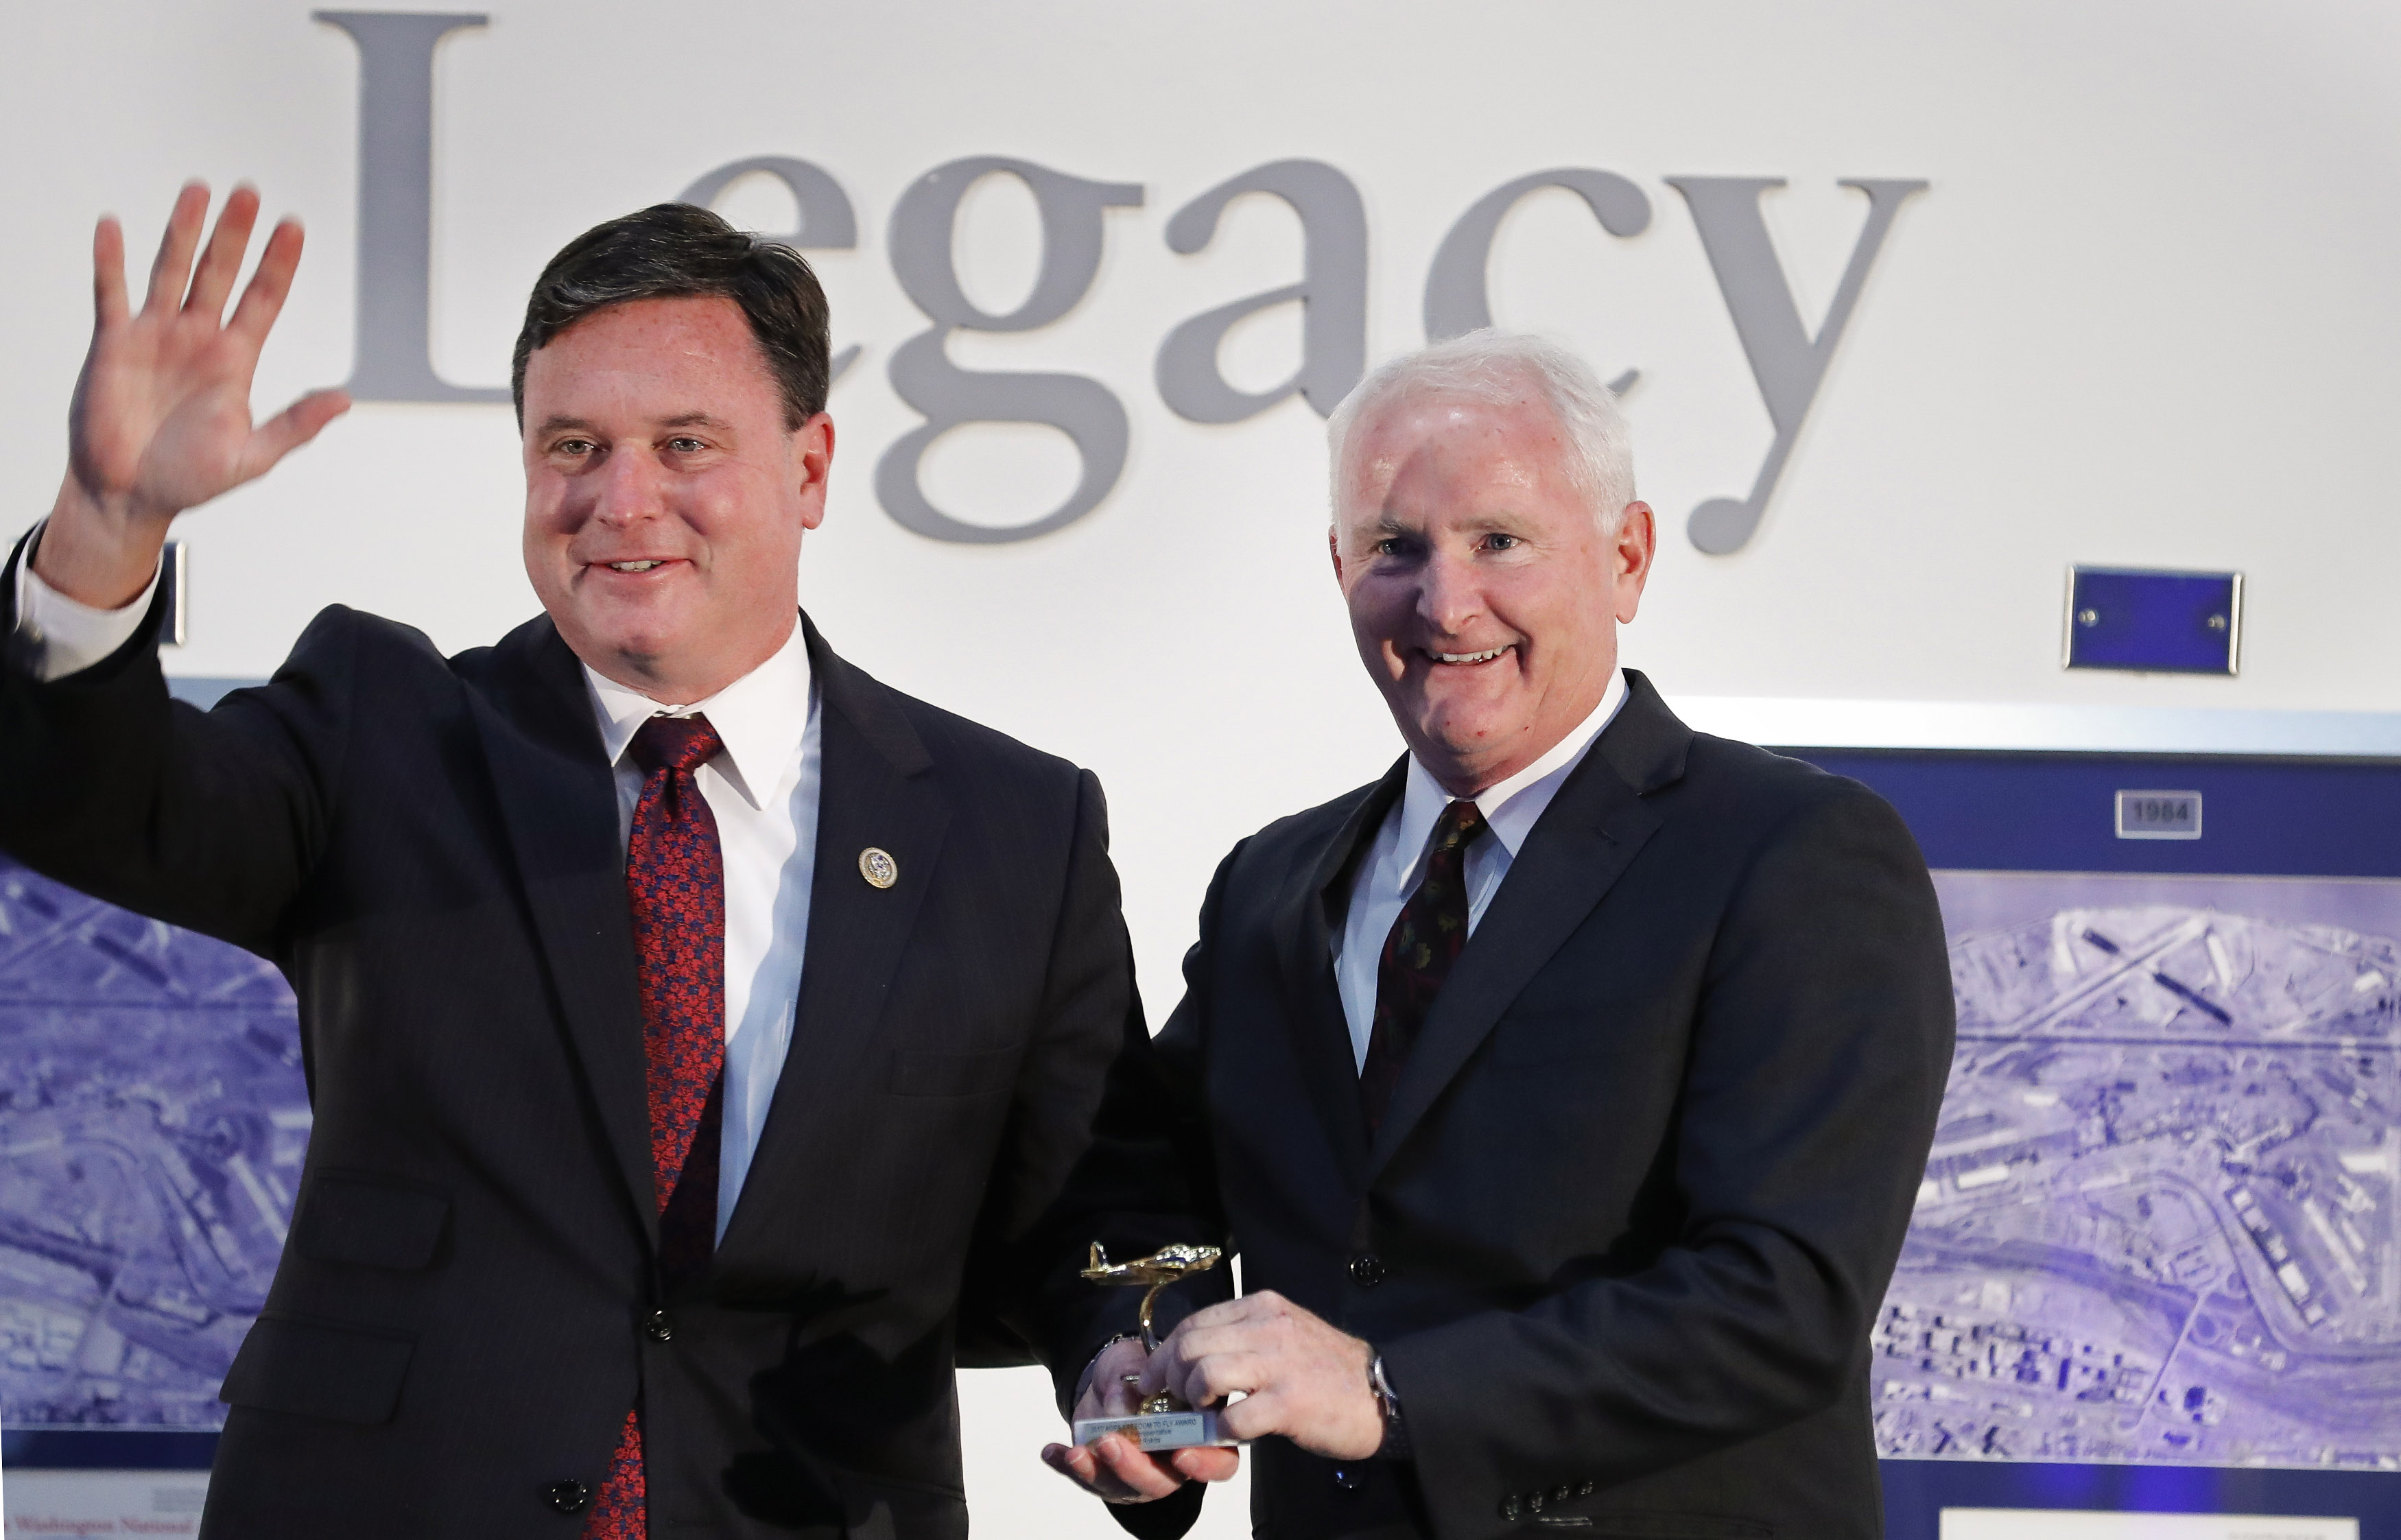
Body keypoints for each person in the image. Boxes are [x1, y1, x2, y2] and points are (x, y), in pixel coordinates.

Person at [0, 185, 1227, 1539]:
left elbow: (1102, 1206)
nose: (618, 498)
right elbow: (92, 805)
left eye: (683, 442)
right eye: (571, 444)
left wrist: (1133, 1372)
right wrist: (104, 527)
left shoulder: (1010, 826)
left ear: (810, 468)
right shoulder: (382, 728)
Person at [1058, 332, 1955, 1537]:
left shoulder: (1796, 855)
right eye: (1396, 547)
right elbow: (1154, 1184)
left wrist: (1389, 1391)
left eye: (1500, 540)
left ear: (1626, 559)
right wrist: (1139, 1353)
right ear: (1339, 568)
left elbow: (1780, 1301)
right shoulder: (1270, 887)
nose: (1445, 600)